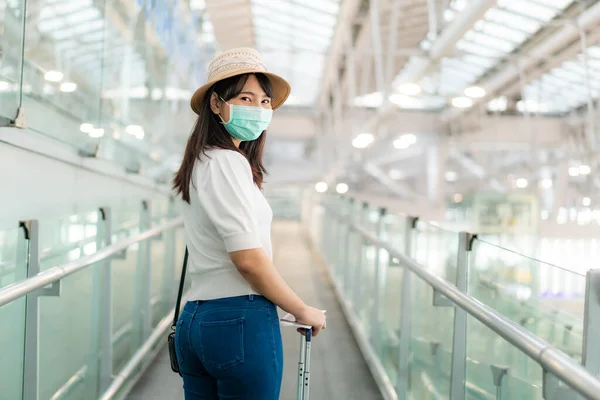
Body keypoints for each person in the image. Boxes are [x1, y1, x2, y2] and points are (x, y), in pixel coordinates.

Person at [171, 47, 327, 400]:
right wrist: (300, 308)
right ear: (216, 104)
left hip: (195, 320)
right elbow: (248, 259)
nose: (258, 110)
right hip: (239, 319)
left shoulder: (201, 162)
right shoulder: (227, 163)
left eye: (264, 102)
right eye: (245, 98)